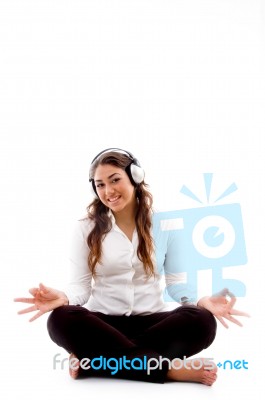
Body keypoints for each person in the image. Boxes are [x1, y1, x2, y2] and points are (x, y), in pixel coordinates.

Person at [14, 148, 249, 385]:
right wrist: (64, 297)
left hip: (153, 323)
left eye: (115, 180)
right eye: (100, 185)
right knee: (60, 319)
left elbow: (177, 284)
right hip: (102, 324)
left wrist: (202, 301)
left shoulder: (166, 224)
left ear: (135, 177)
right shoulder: (84, 228)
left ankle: (95, 361)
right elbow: (81, 287)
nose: (108, 191)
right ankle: (167, 371)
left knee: (202, 321)